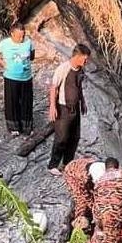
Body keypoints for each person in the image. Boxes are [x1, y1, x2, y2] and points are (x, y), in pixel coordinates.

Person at [47, 44, 91, 175]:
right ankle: (53, 165)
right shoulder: (63, 69)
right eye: (85, 59)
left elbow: (79, 86)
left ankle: (67, 163)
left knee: (75, 137)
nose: (86, 62)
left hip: (75, 107)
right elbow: (53, 87)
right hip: (63, 107)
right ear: (77, 57)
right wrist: (52, 106)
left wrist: (82, 102)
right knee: (61, 137)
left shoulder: (80, 70)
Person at [0, 22, 35, 136]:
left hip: (26, 77)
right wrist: (2, 63)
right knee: (12, 102)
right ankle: (13, 127)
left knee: (26, 102)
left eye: (23, 36)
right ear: (12, 34)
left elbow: (32, 55)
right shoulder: (5, 44)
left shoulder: (28, 42)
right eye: (19, 36)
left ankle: (26, 126)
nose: (21, 38)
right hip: (11, 77)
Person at [63, 156, 101, 231]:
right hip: (73, 174)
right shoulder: (83, 179)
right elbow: (82, 198)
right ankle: (80, 220)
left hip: (89, 165)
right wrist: (81, 216)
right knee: (83, 201)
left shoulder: (110, 173)